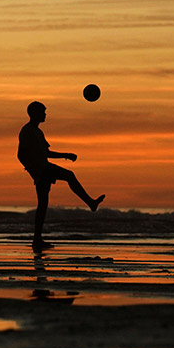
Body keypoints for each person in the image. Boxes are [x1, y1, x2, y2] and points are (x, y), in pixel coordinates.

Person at [18, 101, 105, 249]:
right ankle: (90, 203)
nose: (45, 114)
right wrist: (33, 170)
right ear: (35, 113)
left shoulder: (38, 132)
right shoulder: (27, 131)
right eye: (43, 111)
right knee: (69, 176)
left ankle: (37, 240)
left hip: (44, 169)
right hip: (42, 170)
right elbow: (20, 155)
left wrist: (66, 155)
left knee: (43, 205)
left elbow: (47, 153)